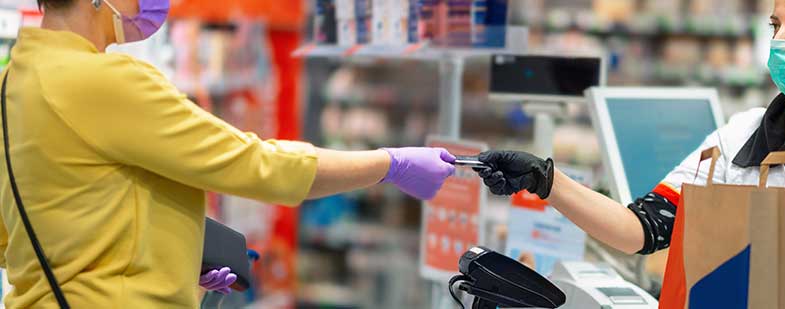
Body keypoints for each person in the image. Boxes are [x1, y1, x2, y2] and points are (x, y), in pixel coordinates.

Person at [475, 1, 785, 308]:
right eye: (777, 26)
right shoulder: (741, 134)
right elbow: (644, 229)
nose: (782, 43)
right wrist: (545, 181)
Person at [0, 0, 455, 307]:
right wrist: (389, 164)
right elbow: (257, 165)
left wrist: (165, 260)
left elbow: (18, 234)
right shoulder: (102, 80)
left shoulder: (13, 82)